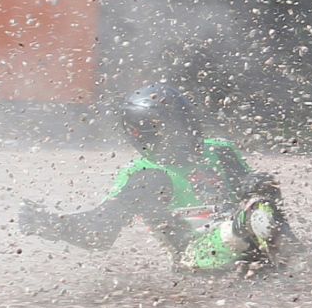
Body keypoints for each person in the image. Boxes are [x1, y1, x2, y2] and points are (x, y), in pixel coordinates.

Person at [20, 84, 289, 272]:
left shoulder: (219, 151)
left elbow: (250, 193)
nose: (187, 130)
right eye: (176, 125)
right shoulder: (146, 178)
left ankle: (294, 256)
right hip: (196, 256)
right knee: (247, 222)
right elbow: (99, 232)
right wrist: (51, 224)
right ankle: (280, 255)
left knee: (260, 206)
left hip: (248, 235)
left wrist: (260, 186)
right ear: (144, 134)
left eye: (186, 120)